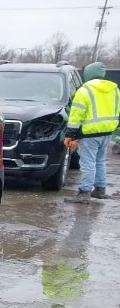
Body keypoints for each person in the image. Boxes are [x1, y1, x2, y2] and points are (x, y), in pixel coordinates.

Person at [64, 62, 120, 204]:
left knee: (87, 162)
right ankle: (100, 190)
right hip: (107, 132)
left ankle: (85, 192)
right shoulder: (114, 90)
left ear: (88, 74)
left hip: (90, 134)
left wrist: (71, 134)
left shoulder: (84, 91)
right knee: (100, 161)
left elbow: (76, 116)